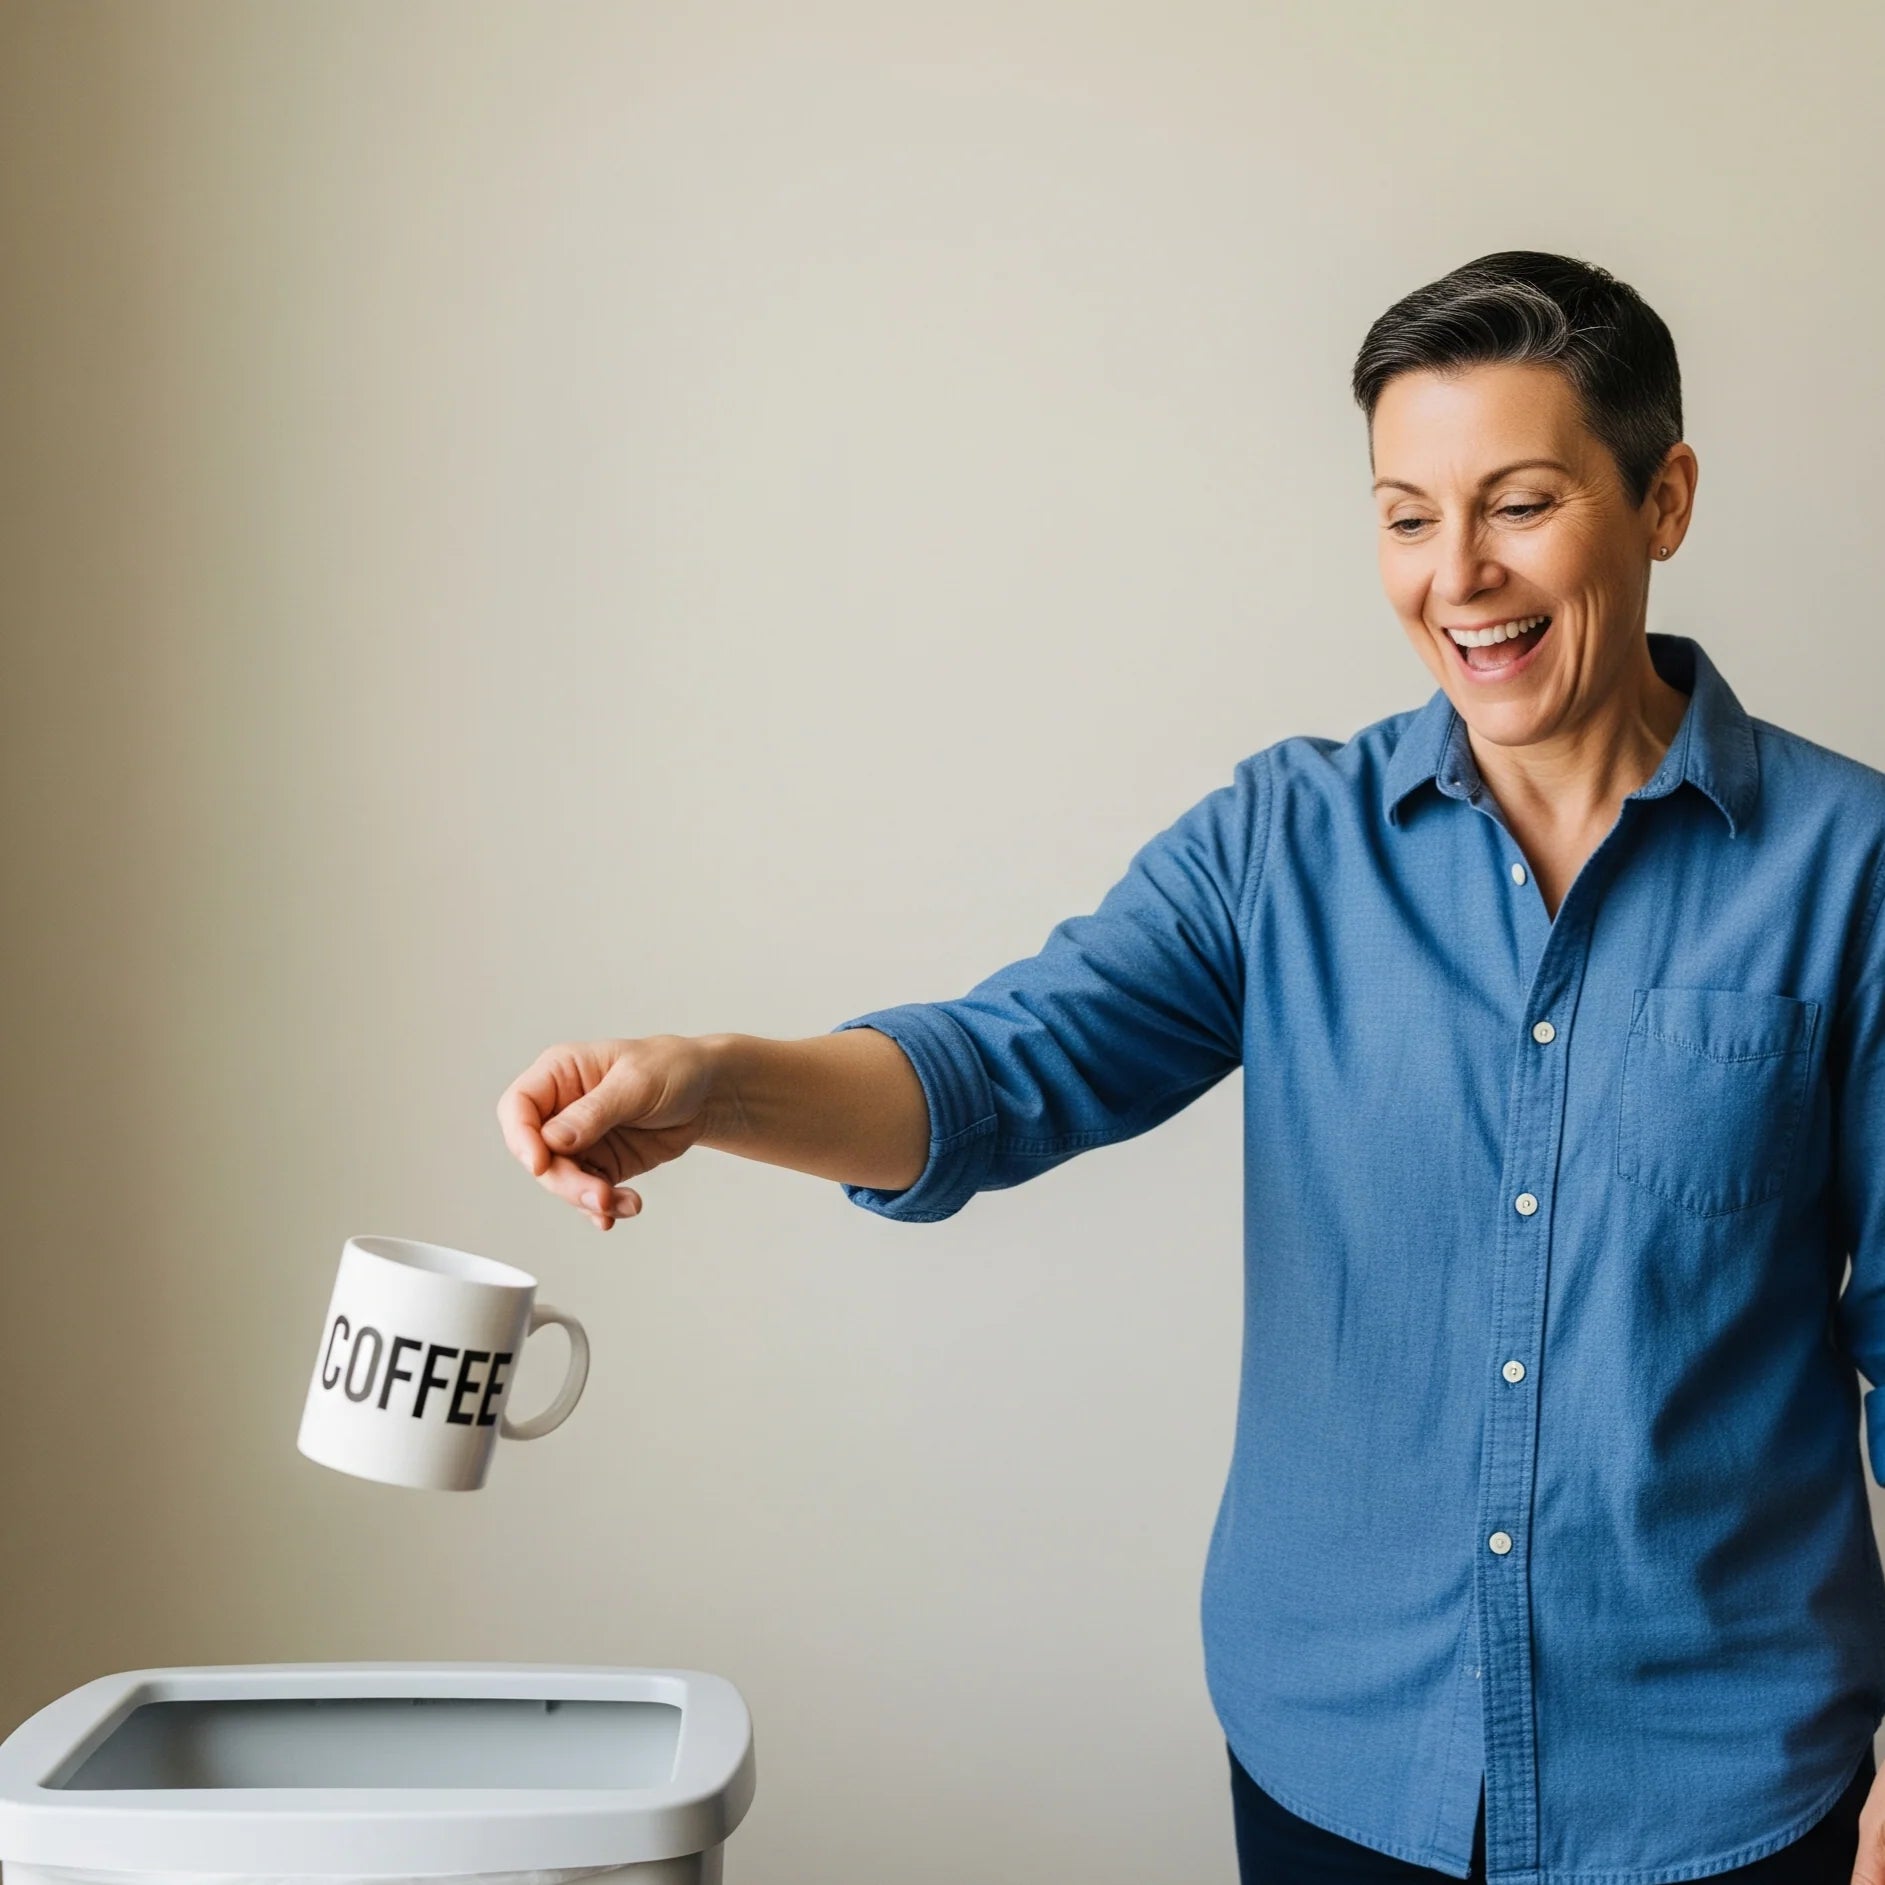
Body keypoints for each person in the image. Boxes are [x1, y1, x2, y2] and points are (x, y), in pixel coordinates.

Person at [495, 251, 1885, 1884]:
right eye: (1405, 516)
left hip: (1721, 1787)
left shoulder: (1851, 868)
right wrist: (714, 1084)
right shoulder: (1280, 844)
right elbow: (999, 1072)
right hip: (1342, 1763)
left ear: (1662, 500)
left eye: (1517, 505)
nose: (1457, 576)